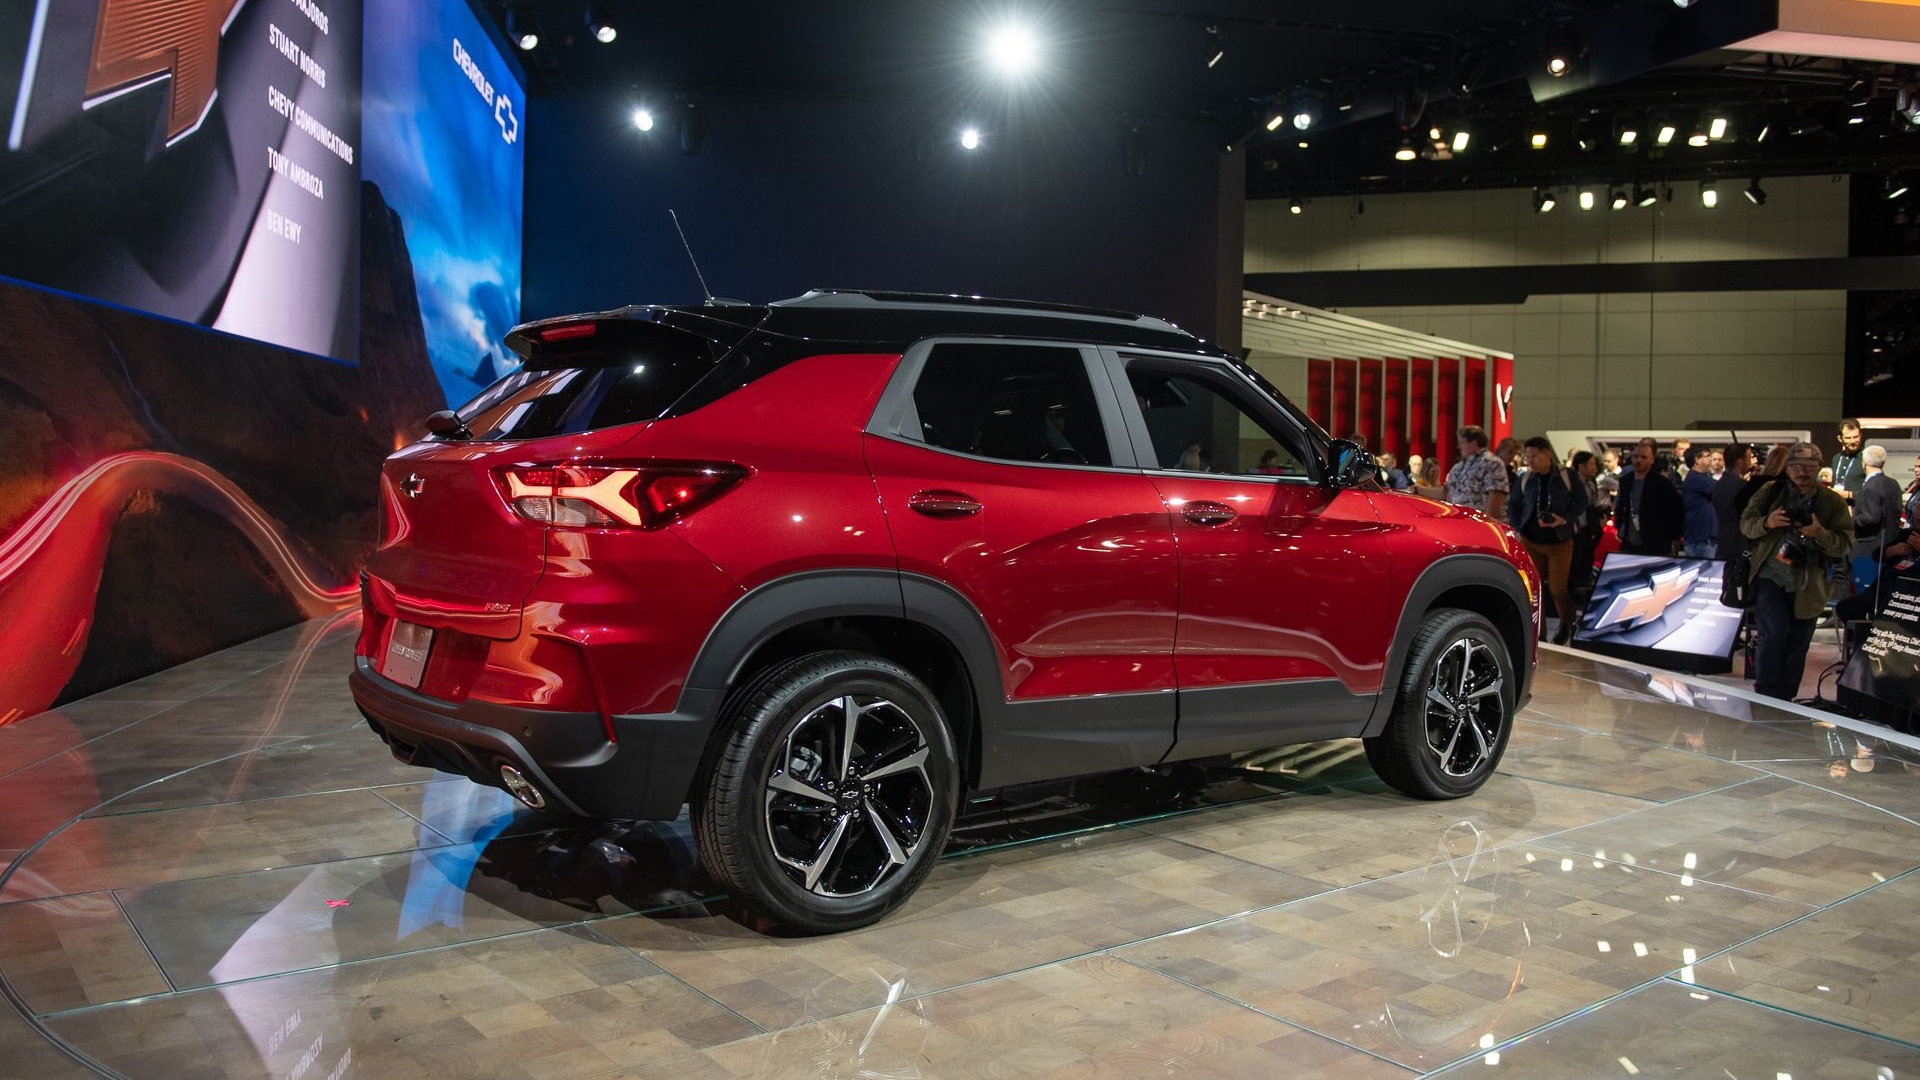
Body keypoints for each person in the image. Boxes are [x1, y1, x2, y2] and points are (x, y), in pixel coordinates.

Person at [1739, 442, 1854, 701]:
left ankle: (1786, 698)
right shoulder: (1770, 492)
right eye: (1797, 466)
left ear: (1819, 469)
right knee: (1774, 633)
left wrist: (1819, 533)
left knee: (1798, 644)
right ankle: (1766, 693)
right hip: (1771, 575)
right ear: (1788, 468)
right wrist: (1767, 522)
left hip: (1810, 582)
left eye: (1810, 467)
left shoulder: (1830, 502)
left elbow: (1845, 544)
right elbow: (1746, 524)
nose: (1803, 472)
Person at [1508, 437, 1587, 642]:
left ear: (1547, 454)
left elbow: (1581, 501)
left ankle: (1566, 623)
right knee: (1534, 587)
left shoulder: (1566, 476)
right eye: (1527, 457)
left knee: (1558, 588)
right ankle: (1538, 631)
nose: (1530, 461)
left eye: (1534, 456)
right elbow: (1514, 505)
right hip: (1531, 540)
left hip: (1559, 540)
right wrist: (1517, 529)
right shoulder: (1525, 478)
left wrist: (1564, 519)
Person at [1614, 437, 1684, 556]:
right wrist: (1619, 525)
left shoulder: (1662, 483)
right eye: (1635, 457)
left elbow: (1676, 510)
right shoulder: (1626, 481)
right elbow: (1620, 505)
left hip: (1655, 541)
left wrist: (1672, 536)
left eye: (1643, 457)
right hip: (1630, 540)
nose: (1638, 460)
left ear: (1652, 459)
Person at [1851, 445, 1903, 591]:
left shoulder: (1871, 486)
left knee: (1865, 591)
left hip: (1869, 548)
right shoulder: (1893, 484)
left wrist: (1849, 520)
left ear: (1864, 463)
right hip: (1889, 545)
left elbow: (1870, 517)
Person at [1445, 425, 1510, 518]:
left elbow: (1496, 495)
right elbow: (1447, 491)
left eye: (1461, 442)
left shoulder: (1491, 463)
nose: (1458, 447)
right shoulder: (1459, 467)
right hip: (1460, 522)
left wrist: (1487, 521)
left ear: (1473, 443)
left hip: (1481, 525)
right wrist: (1419, 489)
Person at [1569, 450, 1605, 595]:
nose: (1595, 467)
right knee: (1575, 561)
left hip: (1589, 528)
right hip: (1575, 528)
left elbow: (1594, 503)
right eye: (1591, 464)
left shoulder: (1591, 483)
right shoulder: (1571, 484)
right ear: (1581, 466)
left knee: (1587, 558)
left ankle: (1583, 587)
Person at [1713, 444, 1756, 562]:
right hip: (1737, 544)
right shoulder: (1740, 486)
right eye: (1748, 460)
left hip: (1724, 539)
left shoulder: (1720, 483)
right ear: (1740, 462)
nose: (1750, 463)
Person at [1680, 446, 1719, 558]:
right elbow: (1720, 489)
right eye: (1707, 456)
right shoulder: (1696, 479)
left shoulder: (1702, 478)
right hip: (1700, 540)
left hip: (1702, 538)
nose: (1710, 459)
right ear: (1697, 459)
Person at [1831, 419, 1866, 501]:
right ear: (1840, 438)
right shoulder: (1836, 458)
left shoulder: (1866, 457)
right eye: (1848, 438)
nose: (1852, 441)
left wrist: (1848, 495)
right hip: (1838, 509)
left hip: (1858, 510)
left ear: (1861, 435)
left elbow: (1873, 492)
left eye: (1856, 437)